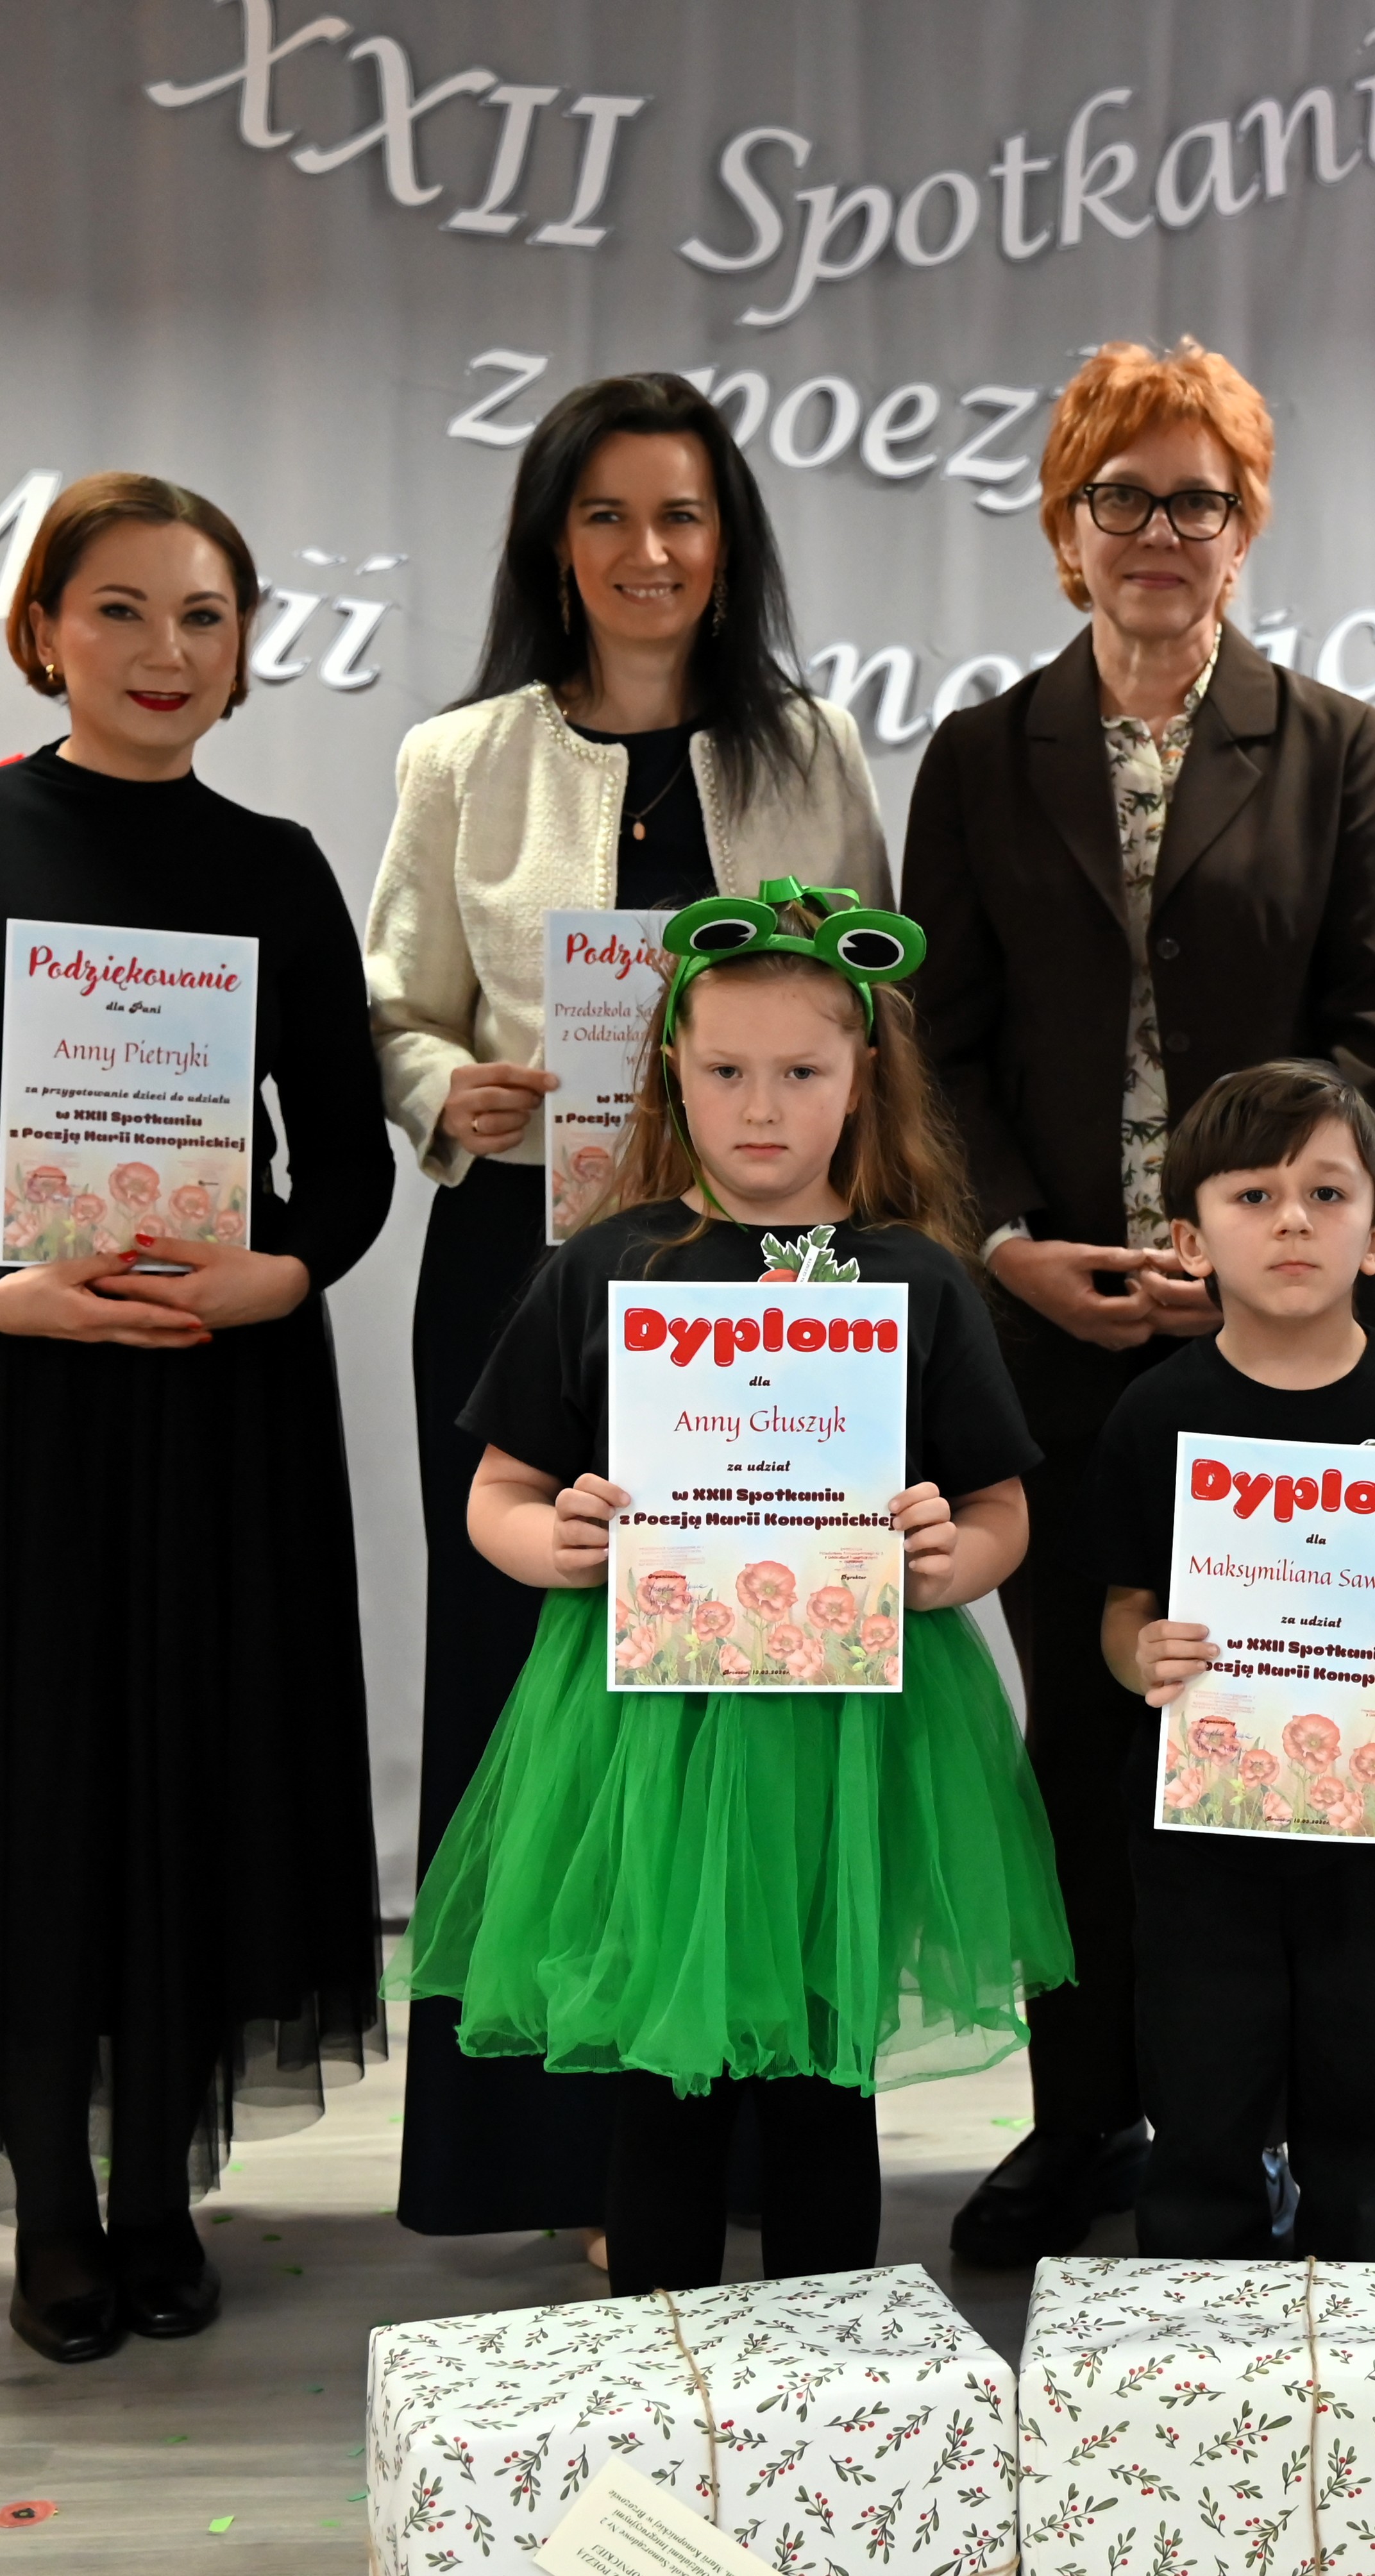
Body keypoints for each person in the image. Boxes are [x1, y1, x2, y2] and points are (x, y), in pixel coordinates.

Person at [0, 473, 392, 2364]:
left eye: (202, 616)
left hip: (223, 1395)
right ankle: (54, 2202)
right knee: (32, 1771)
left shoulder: (279, 864)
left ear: (245, 649)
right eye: (119, 609)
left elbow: (349, 1161)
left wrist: (283, 1275)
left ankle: (159, 2195)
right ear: (43, 627)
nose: (162, 651)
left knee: (202, 1757)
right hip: (13, 1386)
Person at [902, 339, 1375, 2268]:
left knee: (1266, 1744)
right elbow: (931, 1041)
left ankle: (1257, 2129)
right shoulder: (982, 755)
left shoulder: (1332, 744)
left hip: (1272, 1346)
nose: (1155, 531)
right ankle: (1084, 2119)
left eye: (1194, 499)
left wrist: (1262, 1232)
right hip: (1045, 1331)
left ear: (1243, 527)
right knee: (1083, 1741)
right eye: (1118, 496)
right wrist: (1006, 1240)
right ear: (1066, 527)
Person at [362, 374, 890, 2250]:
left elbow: (873, 1015)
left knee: (755, 1694)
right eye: (605, 515)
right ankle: (554, 2153)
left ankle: (750, 2143)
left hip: (772, 1304)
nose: (646, 552)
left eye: (681, 514)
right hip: (532, 1282)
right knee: (541, 1689)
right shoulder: (459, 760)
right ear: (553, 543)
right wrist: (453, 1090)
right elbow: (391, 1009)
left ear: (726, 542)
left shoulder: (812, 751)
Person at [400, 881, 1067, 2292]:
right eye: (725, 1072)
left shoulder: (917, 1279)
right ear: (671, 1075)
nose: (761, 1107)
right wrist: (551, 1539)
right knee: (665, 2083)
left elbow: (1001, 1506)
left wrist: (953, 1558)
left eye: (801, 1074)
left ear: (861, 1081)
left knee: (827, 2072)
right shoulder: (605, 1265)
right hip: (652, 1733)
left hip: (850, 1733)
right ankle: (667, 2355)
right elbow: (496, 1492)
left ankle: (827, 2368)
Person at [1097, 1060, 1375, 2260]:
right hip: (1200, 1825)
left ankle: (1355, 2253)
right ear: (1190, 1243)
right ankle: (1200, 2267)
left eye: (1328, 1194)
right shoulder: (1154, 1414)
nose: (1292, 1220)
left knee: (1372, 2055)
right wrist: (1141, 1654)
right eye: (1254, 1196)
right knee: (1202, 2060)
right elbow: (1123, 1611)